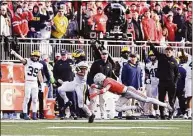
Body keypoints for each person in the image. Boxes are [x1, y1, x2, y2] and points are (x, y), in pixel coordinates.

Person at [90, 73, 172, 115]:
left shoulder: (107, 82)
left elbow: (105, 89)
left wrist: (96, 93)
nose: (99, 84)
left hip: (129, 91)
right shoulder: (106, 81)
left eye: (98, 83)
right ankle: (135, 107)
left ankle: (165, 105)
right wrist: (96, 86)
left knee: (147, 99)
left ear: (100, 80)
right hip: (124, 94)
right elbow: (104, 87)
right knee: (117, 108)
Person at [10, 50, 45, 120]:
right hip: (28, 82)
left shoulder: (39, 64)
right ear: (31, 56)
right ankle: (25, 113)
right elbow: (21, 59)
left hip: (35, 83)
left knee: (35, 99)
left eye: (37, 56)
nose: (35, 58)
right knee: (27, 98)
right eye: (34, 56)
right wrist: (15, 53)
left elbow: (39, 75)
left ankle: (34, 114)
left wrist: (42, 83)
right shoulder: (27, 61)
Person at [149, 42, 179, 120]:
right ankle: (162, 114)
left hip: (171, 83)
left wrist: (175, 83)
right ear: (165, 51)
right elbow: (154, 50)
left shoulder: (174, 61)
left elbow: (177, 74)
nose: (168, 53)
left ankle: (170, 114)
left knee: (171, 100)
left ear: (172, 52)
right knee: (161, 99)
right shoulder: (161, 57)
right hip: (162, 82)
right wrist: (150, 44)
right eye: (166, 51)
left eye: (169, 52)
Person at [87, 49, 115, 119]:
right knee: (93, 100)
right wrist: (91, 84)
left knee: (103, 100)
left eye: (105, 54)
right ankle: (91, 114)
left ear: (108, 55)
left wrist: (107, 86)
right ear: (101, 55)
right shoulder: (96, 63)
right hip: (95, 85)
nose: (104, 56)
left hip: (103, 86)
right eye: (103, 54)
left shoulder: (109, 64)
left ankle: (103, 114)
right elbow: (90, 74)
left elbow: (109, 77)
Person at [53, 49, 76, 119]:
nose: (63, 56)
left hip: (70, 82)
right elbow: (54, 73)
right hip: (61, 83)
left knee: (72, 98)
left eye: (64, 55)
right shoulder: (57, 63)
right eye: (62, 55)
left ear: (67, 55)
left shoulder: (71, 62)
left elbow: (75, 71)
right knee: (61, 99)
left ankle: (73, 113)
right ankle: (62, 113)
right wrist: (57, 79)